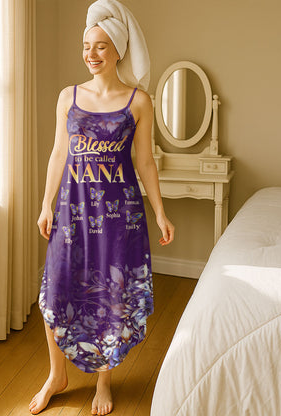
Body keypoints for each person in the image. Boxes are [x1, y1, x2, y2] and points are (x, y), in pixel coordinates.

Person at [29, 1, 174, 414]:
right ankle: (56, 375)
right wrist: (45, 205)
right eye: (86, 46)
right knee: (56, 290)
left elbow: (145, 162)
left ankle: (103, 382)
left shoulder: (138, 102)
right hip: (71, 213)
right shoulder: (68, 97)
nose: (91, 54)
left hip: (118, 216)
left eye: (100, 46)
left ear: (118, 51)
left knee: (112, 296)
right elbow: (59, 154)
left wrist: (160, 211)